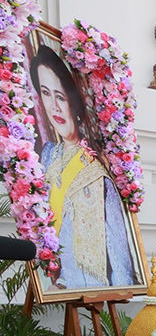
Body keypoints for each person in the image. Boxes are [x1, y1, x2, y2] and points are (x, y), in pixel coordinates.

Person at [29, 44, 136, 290]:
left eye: (61, 96)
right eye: (46, 93)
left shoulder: (96, 169)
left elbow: (118, 251)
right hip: (47, 288)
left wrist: (123, 299)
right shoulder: (45, 158)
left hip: (89, 289)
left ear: (74, 101)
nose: (54, 106)